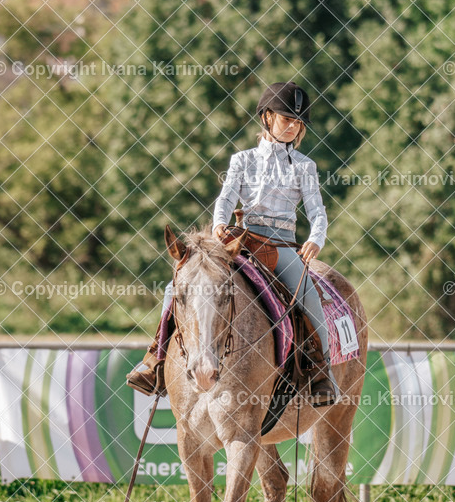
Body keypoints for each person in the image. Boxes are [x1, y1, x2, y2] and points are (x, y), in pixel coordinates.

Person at [127, 81, 340, 406]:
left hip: (281, 249)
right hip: (240, 244)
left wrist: (315, 238)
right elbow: (225, 199)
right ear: (267, 117)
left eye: (298, 122)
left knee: (310, 299)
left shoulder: (305, 167)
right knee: (178, 288)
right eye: (287, 118)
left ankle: (320, 372)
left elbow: (317, 212)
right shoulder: (242, 160)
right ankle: (154, 361)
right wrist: (218, 224)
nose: (293, 126)